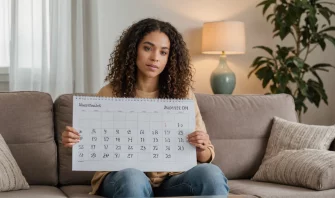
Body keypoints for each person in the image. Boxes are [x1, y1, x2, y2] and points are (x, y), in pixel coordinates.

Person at [62, 18, 229, 198]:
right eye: (147, 48)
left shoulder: (183, 94)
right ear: (133, 50)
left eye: (163, 52)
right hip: (123, 177)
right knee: (133, 178)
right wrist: (74, 141)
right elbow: (90, 145)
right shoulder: (110, 92)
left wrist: (201, 147)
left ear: (170, 58)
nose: (155, 57)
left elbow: (206, 156)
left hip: (172, 180)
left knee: (211, 174)